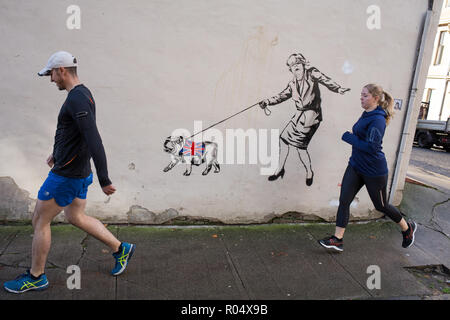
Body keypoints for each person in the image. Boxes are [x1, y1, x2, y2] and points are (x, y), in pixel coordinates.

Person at [3, 51, 135, 293]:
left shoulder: (77, 99)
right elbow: (75, 132)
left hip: (66, 176)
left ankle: (36, 276)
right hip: (76, 171)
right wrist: (57, 152)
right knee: (76, 217)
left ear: (61, 70)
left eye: (51, 74)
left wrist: (104, 179)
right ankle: (120, 248)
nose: (51, 79)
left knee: (40, 221)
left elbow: (93, 138)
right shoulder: (83, 94)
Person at [318, 84, 417, 252]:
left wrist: (349, 137)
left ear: (375, 98)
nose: (361, 98)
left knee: (381, 206)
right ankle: (337, 239)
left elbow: (372, 147)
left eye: (365, 96)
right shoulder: (366, 114)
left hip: (374, 171)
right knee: (344, 201)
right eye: (361, 95)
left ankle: (407, 229)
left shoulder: (378, 120)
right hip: (356, 165)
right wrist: (354, 138)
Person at [259, 53, 350, 185]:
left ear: (303, 66)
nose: (295, 71)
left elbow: (325, 79)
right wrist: (267, 101)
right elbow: (281, 96)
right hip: (298, 117)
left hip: (311, 117)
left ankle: (309, 172)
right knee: (283, 139)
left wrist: (338, 88)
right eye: (292, 69)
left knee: (300, 147)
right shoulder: (292, 84)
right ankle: (280, 169)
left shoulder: (312, 74)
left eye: (297, 67)